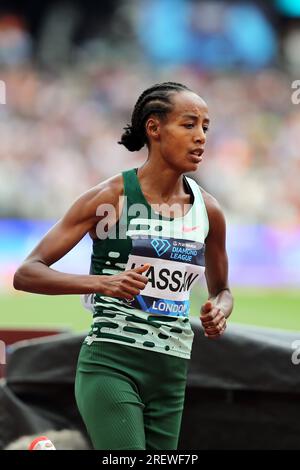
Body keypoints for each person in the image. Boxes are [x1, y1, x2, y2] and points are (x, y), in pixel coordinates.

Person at [14, 81, 234, 450]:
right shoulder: (110, 198)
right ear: (154, 128)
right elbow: (27, 272)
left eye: (205, 127)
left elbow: (222, 290)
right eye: (189, 124)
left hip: (171, 371)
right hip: (112, 362)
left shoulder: (208, 210)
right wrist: (103, 283)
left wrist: (220, 310)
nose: (201, 137)